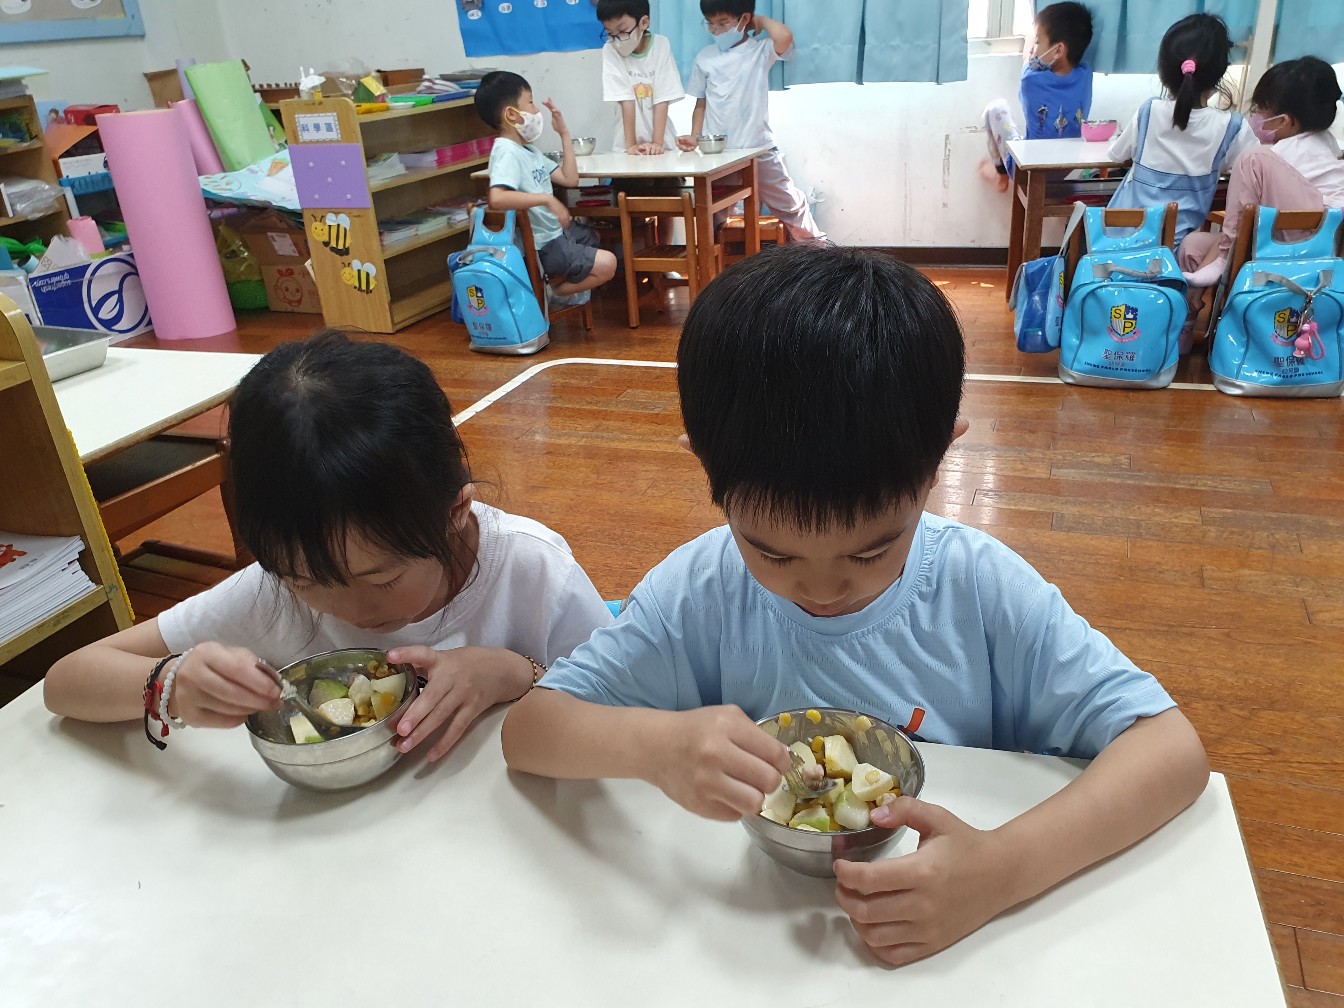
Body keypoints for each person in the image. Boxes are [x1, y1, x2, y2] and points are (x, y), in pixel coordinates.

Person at [501, 244, 1209, 967]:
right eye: (773, 554)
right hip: (742, 945)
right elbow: (529, 732)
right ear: (705, 465)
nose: (823, 589)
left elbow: (1171, 751)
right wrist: (655, 747)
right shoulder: (698, 590)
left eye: (870, 552)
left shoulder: (981, 590)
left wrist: (1001, 870)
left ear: (938, 465)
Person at [45, 332, 613, 763]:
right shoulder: (273, 593)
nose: (352, 611)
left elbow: (625, 710)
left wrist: (515, 673)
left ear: (454, 513)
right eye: (306, 582)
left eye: (383, 578)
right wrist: (169, 683)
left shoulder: (533, 572)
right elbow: (66, 681)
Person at [1107, 13, 1258, 269]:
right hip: (1176, 260)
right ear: (1220, 72)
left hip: (1118, 248)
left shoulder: (1149, 111)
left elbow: (1116, 155)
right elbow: (1256, 169)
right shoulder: (1232, 127)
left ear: (1164, 70)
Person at [1181, 56, 1344, 292]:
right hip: (1297, 236)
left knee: (1251, 158)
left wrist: (1223, 252)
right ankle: (1201, 309)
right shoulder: (1324, 143)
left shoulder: (1281, 153)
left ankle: (1224, 259)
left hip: (1315, 241)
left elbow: (1244, 223)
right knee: (1193, 245)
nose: (1258, 116)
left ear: (1285, 121)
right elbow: (1243, 224)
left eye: (1263, 109)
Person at [675, 0, 825, 242]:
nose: (716, 30)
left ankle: (819, 252)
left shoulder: (759, 50)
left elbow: (784, 37)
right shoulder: (705, 57)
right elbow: (701, 103)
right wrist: (695, 135)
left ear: (744, 19)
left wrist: (761, 20)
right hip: (719, 154)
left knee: (790, 206)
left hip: (758, 147)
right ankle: (712, 257)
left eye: (723, 23)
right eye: (710, 24)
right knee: (712, 213)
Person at [475, 70, 617, 308]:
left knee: (592, 236)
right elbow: (497, 198)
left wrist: (564, 133)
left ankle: (555, 291)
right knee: (609, 264)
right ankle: (551, 293)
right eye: (530, 102)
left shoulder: (529, 151)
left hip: (556, 235)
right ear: (512, 114)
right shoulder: (506, 152)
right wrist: (547, 199)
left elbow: (570, 179)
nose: (536, 110)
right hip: (543, 245)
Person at [980, 1, 1095, 193]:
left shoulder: (1031, 80)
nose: (1035, 48)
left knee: (995, 109)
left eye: (1038, 41)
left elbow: (1028, 60)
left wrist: (1028, 40)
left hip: (1028, 172)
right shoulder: (1086, 75)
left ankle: (1001, 172)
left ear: (1058, 50)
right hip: (1066, 170)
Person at [598, 0, 684, 155]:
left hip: (662, 141)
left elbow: (662, 98)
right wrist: (631, 145)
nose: (617, 39)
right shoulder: (610, 50)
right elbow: (626, 99)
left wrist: (657, 143)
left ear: (643, 23)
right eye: (610, 33)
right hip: (626, 143)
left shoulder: (661, 45)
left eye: (622, 31)